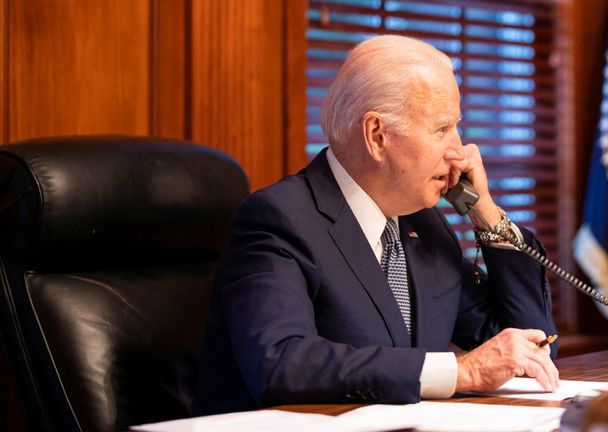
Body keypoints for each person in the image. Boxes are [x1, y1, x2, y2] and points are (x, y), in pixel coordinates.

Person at [193, 34, 559, 415]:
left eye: (457, 127)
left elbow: (529, 353)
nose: (461, 151)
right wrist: (461, 371)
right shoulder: (279, 218)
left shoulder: (425, 225)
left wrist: (487, 215)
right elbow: (282, 363)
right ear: (377, 136)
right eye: (441, 129)